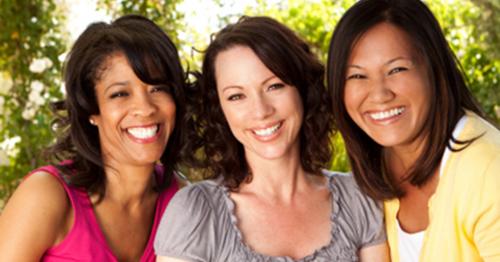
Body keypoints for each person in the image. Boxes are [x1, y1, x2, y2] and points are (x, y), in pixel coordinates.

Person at [154, 16, 389, 261]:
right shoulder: (195, 214)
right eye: (236, 96)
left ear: (302, 88)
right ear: (219, 110)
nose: (261, 111)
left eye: (274, 86)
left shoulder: (358, 197)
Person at [0, 15, 188, 261]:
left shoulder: (181, 200)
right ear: (91, 110)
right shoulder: (46, 196)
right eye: (120, 94)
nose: (145, 108)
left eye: (158, 88)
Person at [327, 0, 500, 261]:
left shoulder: (488, 169)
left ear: (434, 68)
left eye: (397, 69)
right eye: (358, 76)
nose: (380, 94)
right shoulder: (371, 177)